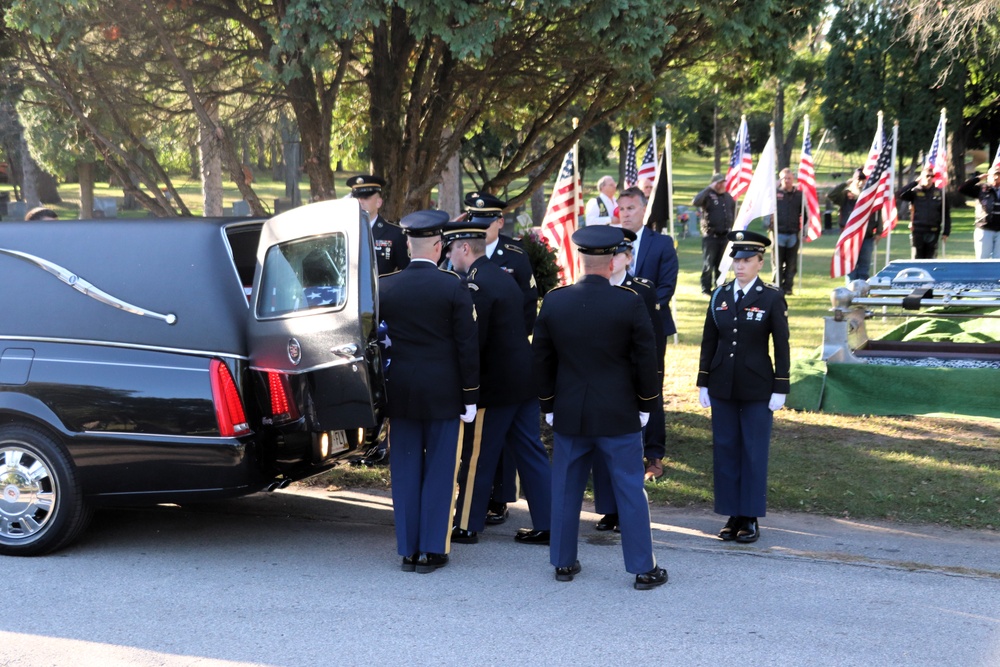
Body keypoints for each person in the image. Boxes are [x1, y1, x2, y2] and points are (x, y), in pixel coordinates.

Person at [533, 224, 667, 590]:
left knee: (565, 488)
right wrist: (645, 406)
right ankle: (642, 568)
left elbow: (541, 360)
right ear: (612, 262)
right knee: (628, 490)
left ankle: (562, 561)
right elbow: (646, 360)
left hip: (571, 413)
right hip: (618, 413)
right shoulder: (628, 302)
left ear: (581, 259)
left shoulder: (556, 301)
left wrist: (549, 405)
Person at [378, 210, 480, 574]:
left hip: (400, 390)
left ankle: (408, 550)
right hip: (443, 393)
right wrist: (470, 397)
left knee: (405, 469)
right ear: (438, 246)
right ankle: (432, 551)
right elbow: (467, 347)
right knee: (440, 470)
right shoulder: (454, 286)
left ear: (408, 245)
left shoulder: (385, 286)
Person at [443, 218, 552, 547]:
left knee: (477, 456)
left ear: (465, 248)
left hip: (498, 384)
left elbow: (476, 341)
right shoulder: (497, 276)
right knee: (531, 452)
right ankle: (550, 523)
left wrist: (468, 386)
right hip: (523, 380)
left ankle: (465, 524)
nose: (449, 255)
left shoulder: (476, 284)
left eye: (451, 249)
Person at [697, 230, 790, 545]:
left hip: (757, 387)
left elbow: (782, 345)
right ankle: (731, 513)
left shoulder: (771, 297)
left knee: (752, 451)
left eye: (747, 260)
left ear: (760, 262)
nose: (740, 265)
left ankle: (749, 516)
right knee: (725, 450)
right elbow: (710, 341)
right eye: (736, 259)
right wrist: (703, 381)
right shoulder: (720, 294)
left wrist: (781, 385)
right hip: (722, 384)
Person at [463, 192, 540, 525]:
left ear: (499, 222)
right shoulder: (471, 264)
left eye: (486, 223)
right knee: (520, 446)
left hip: (501, 366)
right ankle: (549, 522)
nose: (480, 230)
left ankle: (482, 511)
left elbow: (527, 307)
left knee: (488, 448)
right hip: (510, 369)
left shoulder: (512, 257)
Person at [591, 228, 661, 532]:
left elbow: (652, 339)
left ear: (628, 257)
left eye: (618, 253)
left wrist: (648, 380)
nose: (613, 259)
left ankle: (626, 510)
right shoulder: (595, 286)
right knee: (601, 448)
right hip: (599, 377)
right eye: (610, 254)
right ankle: (608, 508)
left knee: (627, 449)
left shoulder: (642, 289)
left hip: (630, 378)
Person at [616, 186, 677, 482]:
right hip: (614, 328)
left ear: (643, 210)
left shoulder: (662, 243)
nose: (625, 214)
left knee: (651, 386)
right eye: (622, 209)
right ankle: (626, 447)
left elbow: (666, 287)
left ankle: (654, 454)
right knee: (620, 385)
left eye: (631, 208)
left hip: (653, 327)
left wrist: (639, 312)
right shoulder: (610, 240)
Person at [347, 174, 409, 276]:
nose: (360, 201)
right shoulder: (345, 231)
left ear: (378, 202)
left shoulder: (395, 234)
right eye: (356, 197)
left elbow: (405, 271)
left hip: (382, 290)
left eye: (365, 197)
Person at [828, 168, 879, 281]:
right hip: (850, 237)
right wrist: (846, 183)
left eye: (863, 180)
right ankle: (850, 291)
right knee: (850, 267)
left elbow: (878, 213)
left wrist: (879, 231)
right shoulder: (845, 196)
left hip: (867, 236)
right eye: (858, 180)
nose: (861, 183)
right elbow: (831, 195)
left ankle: (862, 292)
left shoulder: (870, 196)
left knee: (864, 267)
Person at [693, 173, 736, 295]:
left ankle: (720, 287)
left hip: (725, 236)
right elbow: (695, 201)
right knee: (708, 264)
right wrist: (708, 188)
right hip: (711, 236)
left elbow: (732, 212)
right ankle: (705, 288)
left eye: (723, 182)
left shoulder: (728, 197)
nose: (722, 185)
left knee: (721, 264)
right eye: (719, 183)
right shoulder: (708, 196)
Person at [898, 166, 950, 259]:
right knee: (917, 258)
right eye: (927, 176)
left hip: (933, 230)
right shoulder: (915, 192)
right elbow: (900, 194)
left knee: (931, 259)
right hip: (918, 230)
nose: (929, 178)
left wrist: (946, 231)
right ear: (921, 177)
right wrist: (915, 183)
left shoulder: (940, 193)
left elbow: (945, 214)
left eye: (931, 176)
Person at [772, 168, 802, 294]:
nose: (787, 181)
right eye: (784, 178)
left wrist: (804, 230)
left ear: (793, 179)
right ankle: (777, 286)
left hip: (793, 233)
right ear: (780, 179)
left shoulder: (799, 195)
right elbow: (765, 195)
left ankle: (788, 287)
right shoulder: (775, 194)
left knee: (791, 263)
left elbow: (804, 213)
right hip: (778, 233)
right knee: (777, 263)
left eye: (789, 178)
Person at [958, 168, 1000, 259]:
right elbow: (962, 188)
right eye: (994, 175)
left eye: (999, 175)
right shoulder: (982, 189)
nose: (996, 177)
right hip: (985, 229)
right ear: (988, 176)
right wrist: (978, 178)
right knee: (982, 259)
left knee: (998, 262)